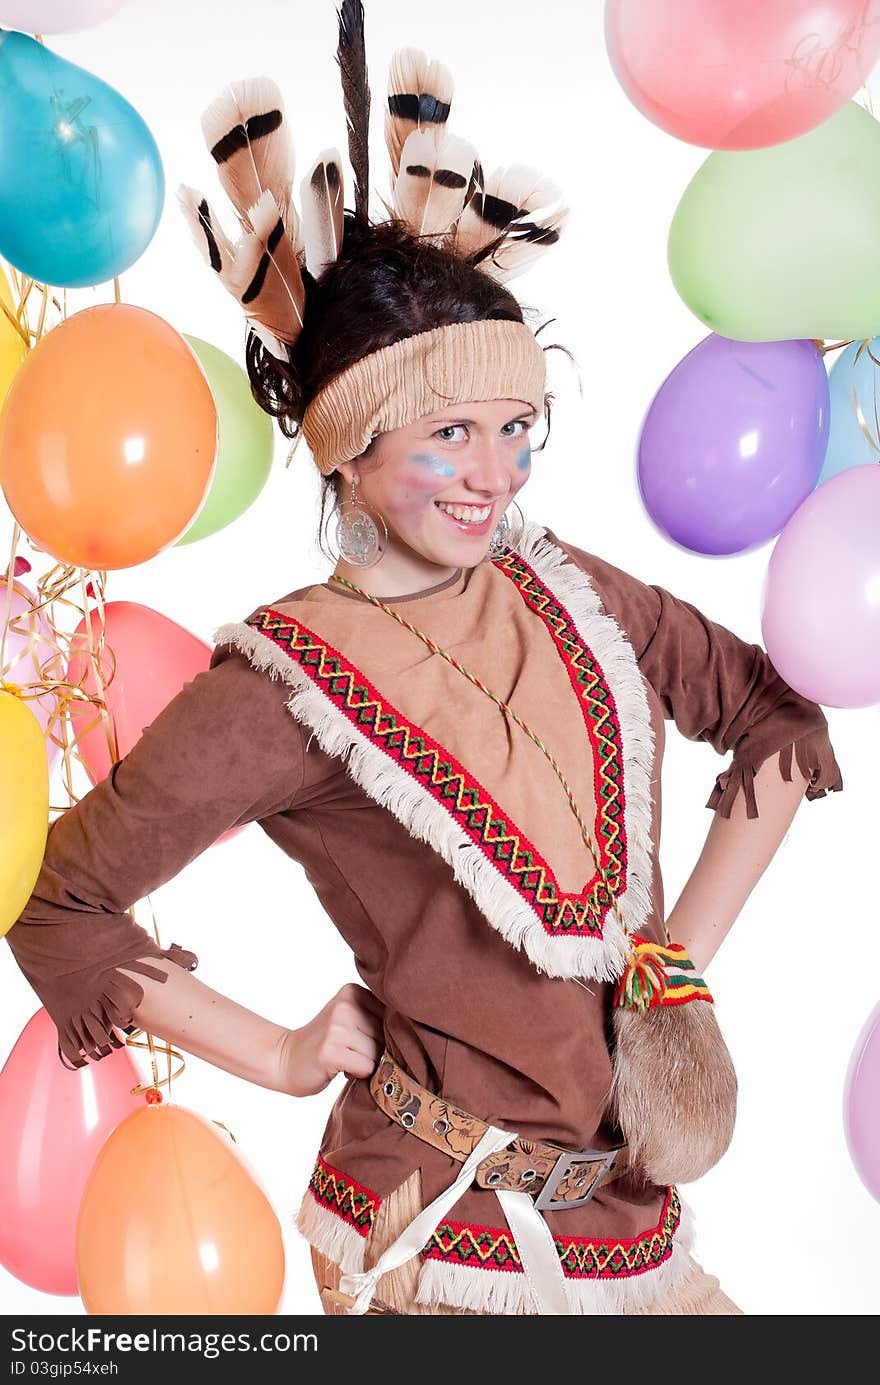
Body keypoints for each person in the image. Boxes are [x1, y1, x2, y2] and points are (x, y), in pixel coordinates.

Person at [4, 3, 843, 1316]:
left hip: (629, 1218)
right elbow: (60, 902)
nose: (495, 474)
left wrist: (674, 961)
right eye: (449, 432)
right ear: (346, 447)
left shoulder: (574, 590)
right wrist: (277, 1052)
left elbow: (769, 709)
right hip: (433, 1240)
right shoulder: (281, 686)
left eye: (518, 427)